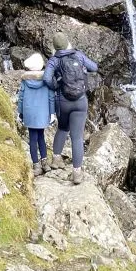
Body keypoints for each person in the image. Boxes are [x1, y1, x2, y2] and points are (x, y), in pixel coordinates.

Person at [43, 31, 98, 185]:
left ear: (55, 47)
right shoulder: (78, 55)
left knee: (62, 128)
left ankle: (56, 159)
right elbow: (94, 67)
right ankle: (77, 173)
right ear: (68, 43)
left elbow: (47, 78)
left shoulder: (54, 60)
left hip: (63, 101)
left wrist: (55, 86)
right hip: (80, 101)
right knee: (77, 137)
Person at [17, 52, 55, 176]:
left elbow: (21, 98)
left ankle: (36, 165)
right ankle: (45, 162)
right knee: (41, 137)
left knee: (32, 139)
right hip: (42, 113)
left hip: (29, 113)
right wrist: (52, 113)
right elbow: (51, 98)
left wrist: (20, 112)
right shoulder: (46, 79)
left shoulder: (25, 80)